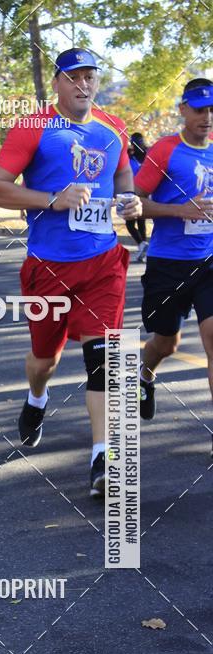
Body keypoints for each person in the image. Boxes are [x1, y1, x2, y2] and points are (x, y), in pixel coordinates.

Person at [0, 47, 142, 496]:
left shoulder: (113, 127)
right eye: (73, 77)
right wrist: (51, 200)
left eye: (90, 76)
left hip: (102, 262)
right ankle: (37, 397)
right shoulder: (34, 127)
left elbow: (122, 178)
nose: (83, 85)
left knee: (103, 360)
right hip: (48, 267)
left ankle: (103, 459)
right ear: (56, 83)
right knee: (44, 359)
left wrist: (129, 200)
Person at [134, 78, 213, 455]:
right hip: (168, 263)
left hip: (209, 262)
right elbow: (133, 203)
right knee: (166, 341)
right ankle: (145, 375)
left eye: (212, 110)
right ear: (182, 110)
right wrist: (177, 210)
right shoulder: (166, 151)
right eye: (200, 109)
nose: (207, 117)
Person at [127, 133, 149, 261]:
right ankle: (143, 246)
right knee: (141, 221)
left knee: (130, 224)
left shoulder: (132, 157)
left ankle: (141, 244)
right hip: (141, 192)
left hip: (134, 192)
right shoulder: (145, 156)